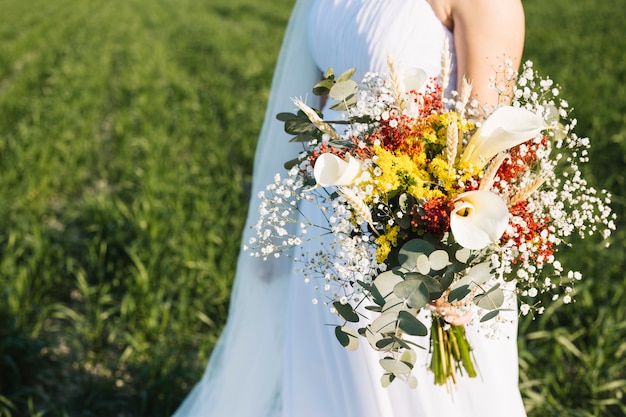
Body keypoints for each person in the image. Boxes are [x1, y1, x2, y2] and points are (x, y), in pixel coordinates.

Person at [173, 0, 527, 416]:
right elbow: (321, 106)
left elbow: (490, 148)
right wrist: (283, 220)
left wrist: (453, 263)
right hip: (326, 233)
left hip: (419, 247)